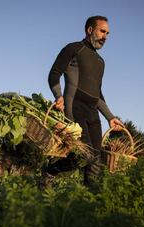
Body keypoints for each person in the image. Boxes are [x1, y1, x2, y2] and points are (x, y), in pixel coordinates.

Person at [46, 15, 124, 185]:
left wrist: (110, 117)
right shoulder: (73, 48)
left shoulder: (100, 62)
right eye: (102, 31)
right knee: (85, 155)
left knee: (96, 160)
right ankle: (49, 172)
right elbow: (54, 74)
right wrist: (58, 96)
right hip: (75, 107)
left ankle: (89, 202)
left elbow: (98, 94)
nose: (105, 37)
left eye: (108, 33)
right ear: (90, 30)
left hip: (92, 112)